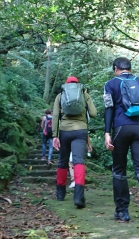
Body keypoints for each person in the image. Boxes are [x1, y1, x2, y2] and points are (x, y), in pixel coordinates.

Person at [103, 57, 139, 227]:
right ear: (130, 68)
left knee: (119, 169)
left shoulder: (111, 84)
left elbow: (109, 109)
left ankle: (122, 211)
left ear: (116, 69)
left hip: (120, 129)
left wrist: (107, 133)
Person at [52, 76, 97, 208]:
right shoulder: (84, 94)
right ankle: (78, 196)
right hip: (80, 131)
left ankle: (60, 193)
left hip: (64, 131)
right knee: (78, 161)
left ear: (66, 84)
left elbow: (55, 116)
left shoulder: (61, 95)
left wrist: (55, 135)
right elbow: (94, 113)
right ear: (78, 84)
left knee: (62, 161)